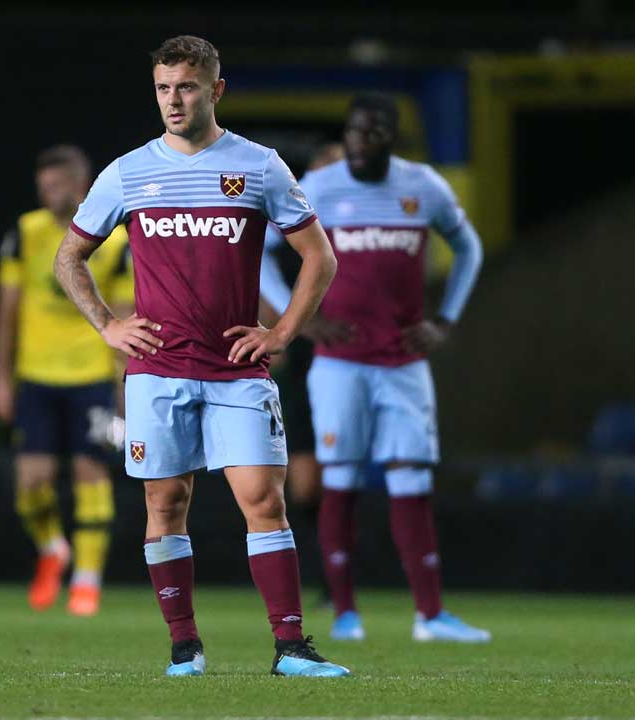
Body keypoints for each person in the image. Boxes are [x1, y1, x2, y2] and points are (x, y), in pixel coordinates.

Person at [53, 36, 349, 677]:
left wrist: (283, 332)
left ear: (215, 90)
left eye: (186, 87)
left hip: (237, 370)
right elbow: (69, 256)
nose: (173, 100)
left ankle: (291, 648)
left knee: (264, 502)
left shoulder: (260, 166)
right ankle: (185, 646)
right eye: (163, 88)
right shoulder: (128, 171)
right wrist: (106, 324)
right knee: (165, 505)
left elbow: (319, 256)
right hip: (157, 370)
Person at [258, 93, 489, 643]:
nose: (362, 141)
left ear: (391, 138)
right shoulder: (320, 186)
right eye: (356, 131)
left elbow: (469, 247)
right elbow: (262, 249)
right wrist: (299, 321)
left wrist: (446, 320)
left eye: (373, 132)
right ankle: (344, 614)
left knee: (411, 476)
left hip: (404, 359)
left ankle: (429, 616)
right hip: (339, 362)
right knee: (340, 477)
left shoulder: (422, 185)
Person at [0, 145, 133, 616]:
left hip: (91, 374)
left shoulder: (114, 240)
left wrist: (124, 383)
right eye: (43, 185)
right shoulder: (24, 233)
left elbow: (128, 315)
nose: (48, 192)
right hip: (36, 375)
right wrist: (1, 380)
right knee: (31, 484)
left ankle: (87, 581)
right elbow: (7, 313)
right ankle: (53, 547)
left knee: (90, 473)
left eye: (57, 184)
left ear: (80, 186)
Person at [259, 142, 345, 599]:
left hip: (360, 352)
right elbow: (256, 260)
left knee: (345, 468)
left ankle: (340, 573)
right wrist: (292, 321)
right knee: (307, 480)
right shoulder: (293, 216)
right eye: (329, 166)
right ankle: (328, 570)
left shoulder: (361, 213)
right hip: (311, 353)